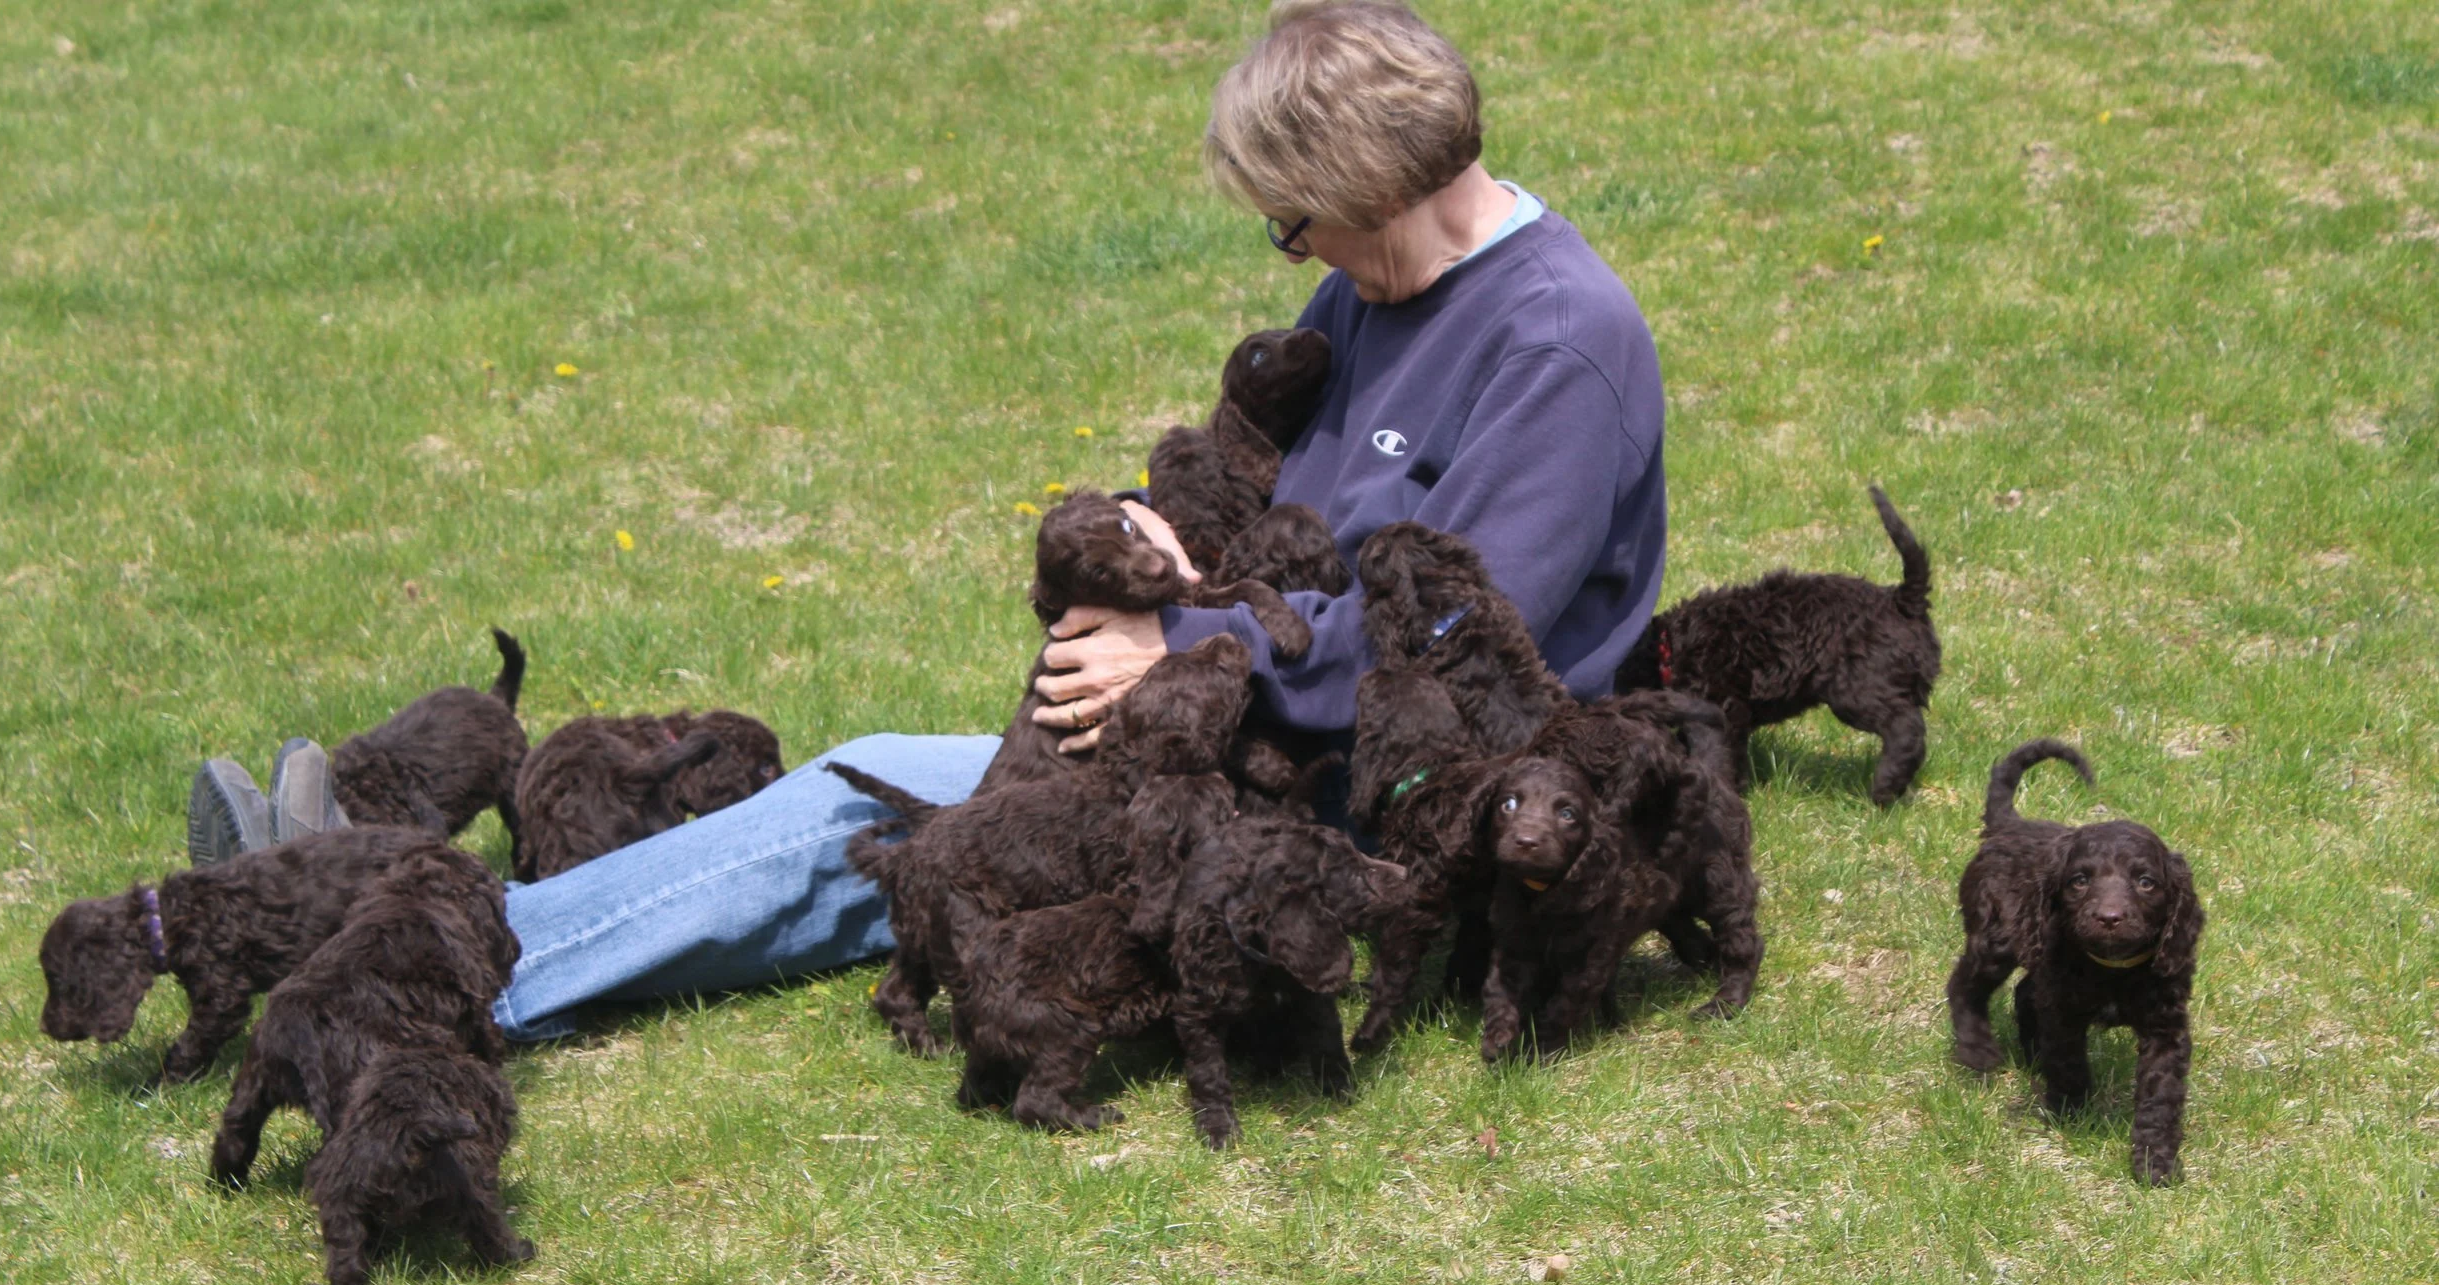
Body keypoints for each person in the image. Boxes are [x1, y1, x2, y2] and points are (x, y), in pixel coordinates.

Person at [185, 0, 1666, 1042]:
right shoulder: (1376, 279)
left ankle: (400, 968)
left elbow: (1474, 651)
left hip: (1366, 806)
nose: (1293, 255)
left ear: (1370, 183)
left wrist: (1182, 652)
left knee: (863, 802)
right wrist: (1155, 542)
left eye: (1294, 221)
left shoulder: (1558, 344)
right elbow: (1284, 499)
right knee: (863, 808)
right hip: (1250, 727)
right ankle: (371, 919)